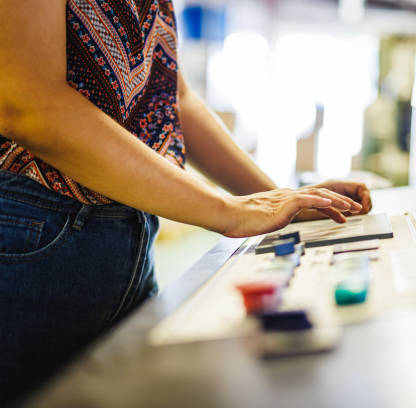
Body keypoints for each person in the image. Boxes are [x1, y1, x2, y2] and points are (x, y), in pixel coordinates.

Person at [0, 0, 372, 403]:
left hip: (129, 234)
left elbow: (172, 97)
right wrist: (225, 210)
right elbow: (27, 103)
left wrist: (278, 199)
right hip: (30, 233)